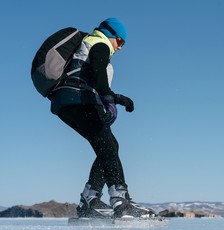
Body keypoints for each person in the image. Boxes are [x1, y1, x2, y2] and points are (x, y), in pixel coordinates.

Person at [49, 18, 155, 218]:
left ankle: (90, 199)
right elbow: (98, 72)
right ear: (111, 34)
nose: (120, 48)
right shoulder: (100, 42)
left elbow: (93, 77)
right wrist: (108, 98)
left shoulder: (87, 44)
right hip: (78, 99)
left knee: (108, 145)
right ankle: (120, 201)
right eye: (121, 42)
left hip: (65, 102)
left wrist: (116, 99)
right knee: (108, 145)